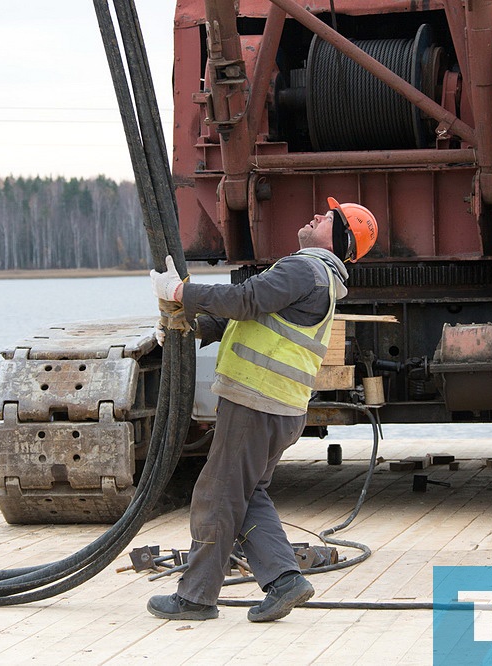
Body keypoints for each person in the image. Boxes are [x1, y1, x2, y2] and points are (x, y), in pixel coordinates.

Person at [146, 197, 378, 622]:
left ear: (340, 238)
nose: (315, 216)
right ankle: (284, 581)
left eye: (327, 218)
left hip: (256, 403)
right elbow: (246, 319)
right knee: (246, 495)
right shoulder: (314, 278)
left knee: (217, 496)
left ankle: (195, 598)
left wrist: (179, 292)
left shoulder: (304, 268)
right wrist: (187, 323)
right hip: (281, 408)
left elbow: (244, 300)